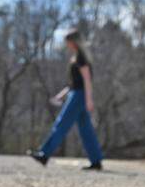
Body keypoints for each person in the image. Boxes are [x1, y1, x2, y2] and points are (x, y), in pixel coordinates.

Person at [29, 29, 104, 171]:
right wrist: (60, 96)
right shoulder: (75, 58)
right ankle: (96, 161)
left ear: (73, 42)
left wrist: (89, 100)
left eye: (68, 41)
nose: (66, 45)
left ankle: (44, 154)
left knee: (61, 123)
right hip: (75, 93)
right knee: (86, 130)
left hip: (79, 96)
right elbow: (73, 84)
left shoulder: (81, 58)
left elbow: (87, 80)